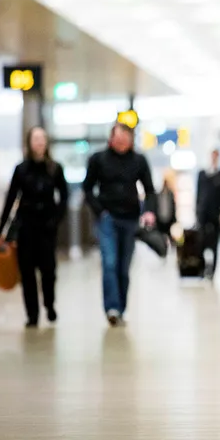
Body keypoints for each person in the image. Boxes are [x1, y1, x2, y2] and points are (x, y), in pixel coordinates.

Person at [83, 123, 156, 326]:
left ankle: (121, 308)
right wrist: (100, 211)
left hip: (130, 220)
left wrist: (149, 211)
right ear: (111, 139)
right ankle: (112, 308)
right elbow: (87, 188)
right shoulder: (98, 160)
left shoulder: (139, 161)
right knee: (110, 263)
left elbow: (150, 190)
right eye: (119, 137)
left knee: (123, 268)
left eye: (126, 137)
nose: (122, 141)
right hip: (108, 219)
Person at [0, 126, 68, 328]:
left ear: (46, 143)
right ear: (29, 142)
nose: (39, 142)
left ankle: (49, 304)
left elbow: (64, 197)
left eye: (42, 138)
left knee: (48, 271)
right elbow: (11, 198)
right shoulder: (21, 169)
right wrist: (2, 227)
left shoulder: (55, 168)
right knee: (27, 272)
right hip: (26, 226)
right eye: (35, 139)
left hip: (47, 226)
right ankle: (32, 314)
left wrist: (56, 219)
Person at [197, 149, 220, 276]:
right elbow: (199, 195)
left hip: (216, 214)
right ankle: (202, 268)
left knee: (215, 243)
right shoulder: (202, 174)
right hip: (203, 214)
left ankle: (213, 271)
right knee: (201, 242)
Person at [156, 171, 178, 247]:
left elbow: (173, 207)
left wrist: (174, 219)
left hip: (169, 220)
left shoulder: (170, 194)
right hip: (160, 220)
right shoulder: (159, 194)